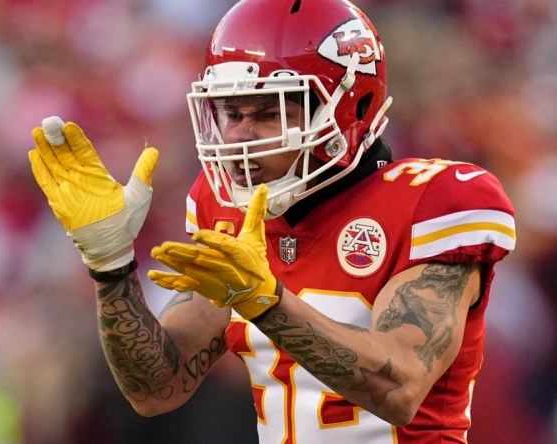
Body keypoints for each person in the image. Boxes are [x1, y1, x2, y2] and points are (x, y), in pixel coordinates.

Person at [28, 0, 517, 442]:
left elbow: (399, 387)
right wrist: (111, 267)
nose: (240, 136)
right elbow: (158, 388)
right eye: (230, 112)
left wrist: (267, 303)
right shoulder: (231, 208)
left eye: (267, 113)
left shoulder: (437, 199)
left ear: (351, 106)